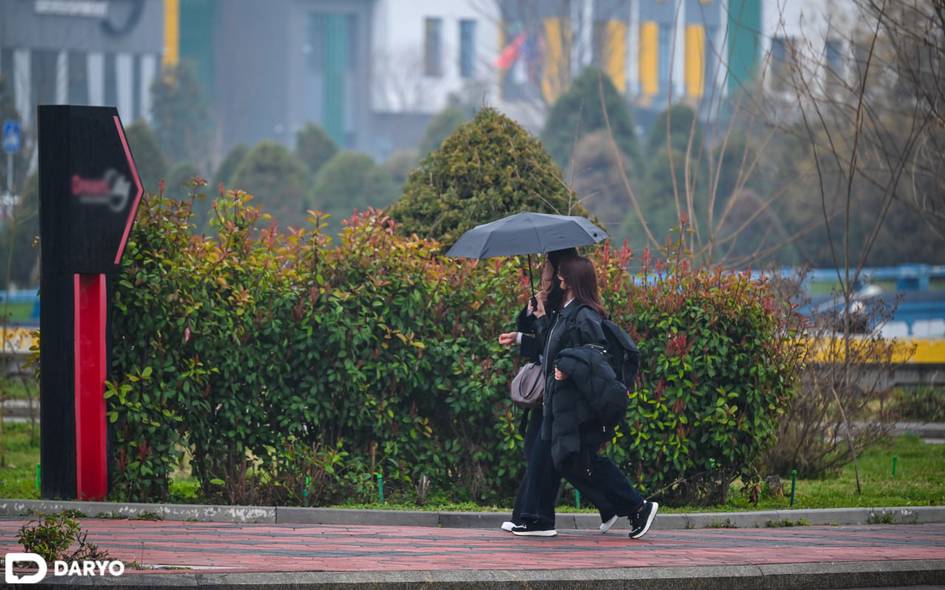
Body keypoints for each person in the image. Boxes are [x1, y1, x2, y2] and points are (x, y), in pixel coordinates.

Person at [507, 256, 658, 539]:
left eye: (563, 274)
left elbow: (594, 354)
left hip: (573, 403)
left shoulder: (585, 314)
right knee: (565, 459)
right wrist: (539, 320)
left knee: (572, 459)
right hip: (558, 400)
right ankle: (620, 507)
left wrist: (566, 367)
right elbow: (552, 347)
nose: (558, 278)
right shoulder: (566, 311)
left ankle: (636, 506)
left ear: (574, 280)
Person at [497, 248, 578, 532]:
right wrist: (528, 317)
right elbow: (539, 341)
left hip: (559, 393)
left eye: (549, 276)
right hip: (547, 392)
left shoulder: (572, 311)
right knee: (536, 453)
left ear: (561, 277)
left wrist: (542, 319)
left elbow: (554, 349)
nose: (545, 280)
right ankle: (527, 516)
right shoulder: (554, 306)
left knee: (546, 456)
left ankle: (537, 518)